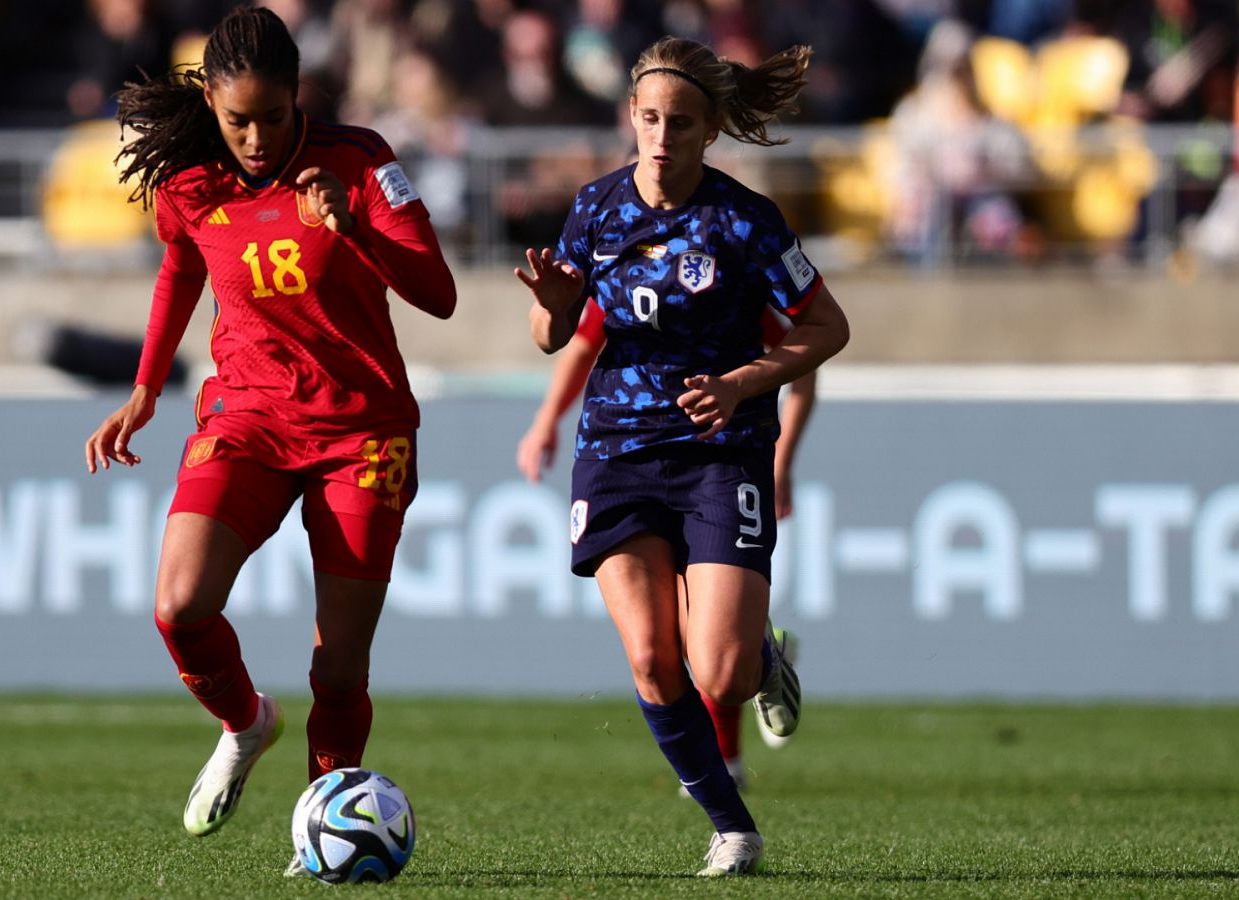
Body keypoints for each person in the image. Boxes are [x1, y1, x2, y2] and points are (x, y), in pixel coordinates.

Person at [82, 5, 456, 867]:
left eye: (273, 118)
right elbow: (182, 263)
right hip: (247, 416)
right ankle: (246, 723)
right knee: (178, 605)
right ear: (210, 101)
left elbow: (438, 293)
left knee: (337, 668)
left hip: (361, 431)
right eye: (236, 119)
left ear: (301, 98)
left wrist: (353, 227)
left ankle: (322, 833)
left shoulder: (361, 164)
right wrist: (144, 389)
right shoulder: (188, 181)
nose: (255, 138)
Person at [515, 36, 849, 877]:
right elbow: (553, 333)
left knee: (723, 674)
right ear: (631, 116)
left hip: (718, 450)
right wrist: (554, 311)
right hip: (618, 450)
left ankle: (764, 658)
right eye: (652, 119)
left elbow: (827, 327)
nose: (663, 138)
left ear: (711, 132)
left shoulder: (746, 220)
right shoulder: (595, 209)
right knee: (654, 660)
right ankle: (731, 826)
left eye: (683, 123)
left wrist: (740, 384)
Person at [514, 296, 818, 788]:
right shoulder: (628, 264)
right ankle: (730, 755)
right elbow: (581, 345)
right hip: (638, 459)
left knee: (707, 638)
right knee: (680, 635)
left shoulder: (724, 274)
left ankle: (747, 696)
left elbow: (802, 358)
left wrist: (783, 458)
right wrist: (546, 419)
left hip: (717, 461)